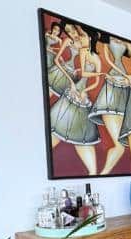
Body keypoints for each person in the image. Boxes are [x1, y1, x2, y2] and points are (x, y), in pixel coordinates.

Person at [50, 26, 104, 175]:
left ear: (91, 39)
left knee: (82, 131)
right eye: (80, 35)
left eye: (83, 36)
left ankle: (93, 173)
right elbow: (84, 72)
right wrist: (74, 84)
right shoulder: (82, 52)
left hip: (83, 93)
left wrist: (85, 92)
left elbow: (95, 81)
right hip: (75, 89)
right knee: (58, 123)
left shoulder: (96, 58)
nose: (80, 38)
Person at [89, 37, 131, 174]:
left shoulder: (127, 43)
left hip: (124, 87)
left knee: (121, 145)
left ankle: (102, 174)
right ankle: (102, 174)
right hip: (112, 87)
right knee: (120, 145)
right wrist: (126, 76)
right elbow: (108, 61)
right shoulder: (106, 42)